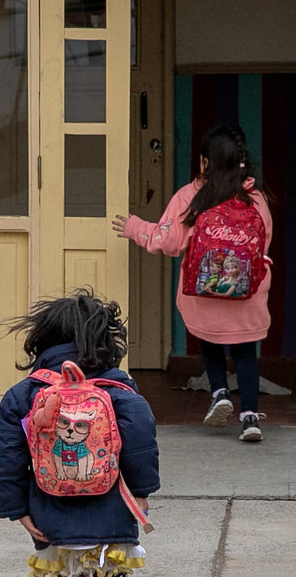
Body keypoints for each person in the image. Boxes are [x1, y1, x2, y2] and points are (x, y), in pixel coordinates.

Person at [0, 290, 160, 577]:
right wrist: (141, 493)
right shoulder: (116, 388)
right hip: (111, 512)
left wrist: (16, 507)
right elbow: (140, 439)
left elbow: (4, 448)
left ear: (44, 337)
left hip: (52, 515)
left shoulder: (28, 392)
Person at [113, 124, 274, 443]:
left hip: (204, 292)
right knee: (245, 352)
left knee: (210, 341)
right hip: (245, 293)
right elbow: (263, 242)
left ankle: (219, 393)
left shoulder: (191, 196)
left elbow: (169, 241)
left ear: (205, 161)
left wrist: (135, 227)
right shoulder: (256, 198)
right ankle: (250, 417)